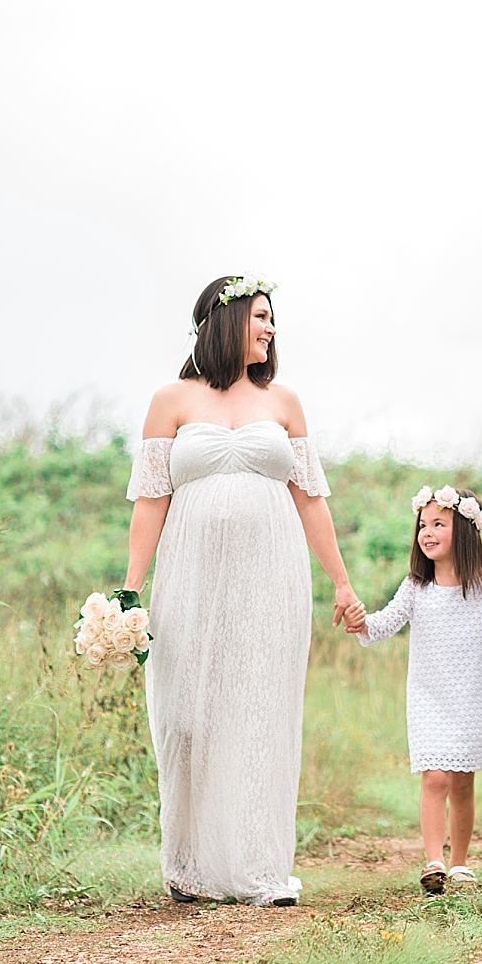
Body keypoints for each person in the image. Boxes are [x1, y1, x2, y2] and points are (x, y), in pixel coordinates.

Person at [123, 274, 364, 907]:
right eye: (261, 317)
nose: (271, 329)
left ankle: (259, 869)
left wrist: (341, 582)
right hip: (190, 576)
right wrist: (129, 590)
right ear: (226, 322)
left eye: (273, 320)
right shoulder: (170, 400)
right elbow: (151, 501)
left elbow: (311, 500)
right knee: (187, 712)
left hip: (271, 576)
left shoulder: (284, 403)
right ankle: (190, 864)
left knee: (259, 708)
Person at [348, 485, 482, 894]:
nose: (427, 532)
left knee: (463, 780)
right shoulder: (416, 587)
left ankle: (459, 863)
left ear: (467, 531)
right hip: (428, 696)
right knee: (435, 776)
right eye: (423, 524)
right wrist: (360, 622)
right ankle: (433, 859)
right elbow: (384, 623)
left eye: (439, 523)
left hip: (472, 696)